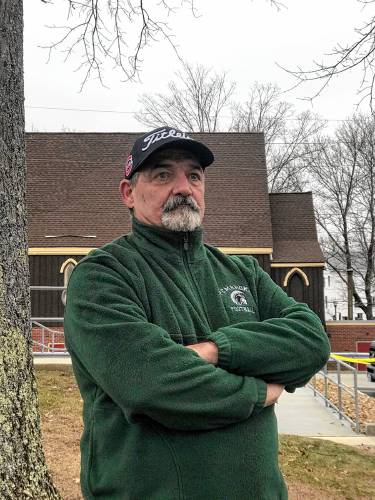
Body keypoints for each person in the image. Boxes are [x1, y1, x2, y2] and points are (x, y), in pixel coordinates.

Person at [64, 126, 330, 500]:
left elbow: (311, 341)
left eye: (194, 175)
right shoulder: (103, 276)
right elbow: (150, 383)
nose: (183, 188)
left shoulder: (243, 273)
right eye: (162, 175)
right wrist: (257, 392)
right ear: (128, 193)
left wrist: (216, 351)